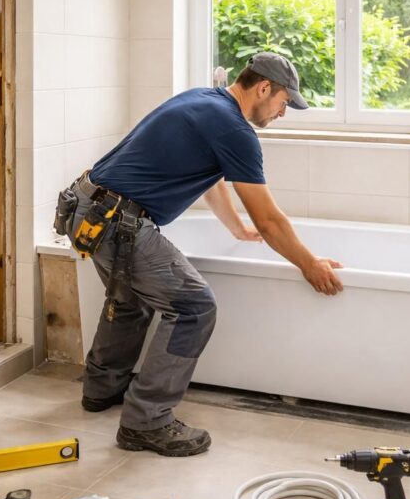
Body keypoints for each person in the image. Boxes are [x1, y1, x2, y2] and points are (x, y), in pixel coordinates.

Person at [57, 52, 344, 457]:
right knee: (193, 306)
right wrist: (308, 264)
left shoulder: (204, 101)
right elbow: (270, 221)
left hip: (85, 208)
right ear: (263, 88)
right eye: (284, 102)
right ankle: (147, 421)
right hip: (116, 219)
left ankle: (101, 390)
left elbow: (212, 183)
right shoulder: (234, 130)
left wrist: (234, 229)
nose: (283, 113)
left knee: (131, 299)